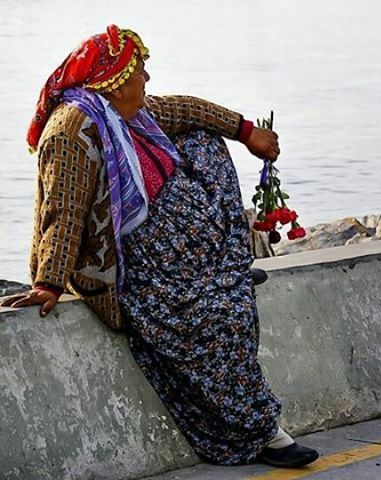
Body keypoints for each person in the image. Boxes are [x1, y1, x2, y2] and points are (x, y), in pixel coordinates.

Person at [0, 25, 318, 468]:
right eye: (139, 71)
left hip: (170, 242)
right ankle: (262, 433)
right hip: (131, 263)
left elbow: (189, 108)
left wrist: (247, 132)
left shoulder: (126, 112)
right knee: (220, 318)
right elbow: (62, 212)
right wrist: (49, 283)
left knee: (205, 141)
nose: (146, 79)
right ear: (113, 79)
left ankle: (220, 269)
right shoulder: (73, 132)